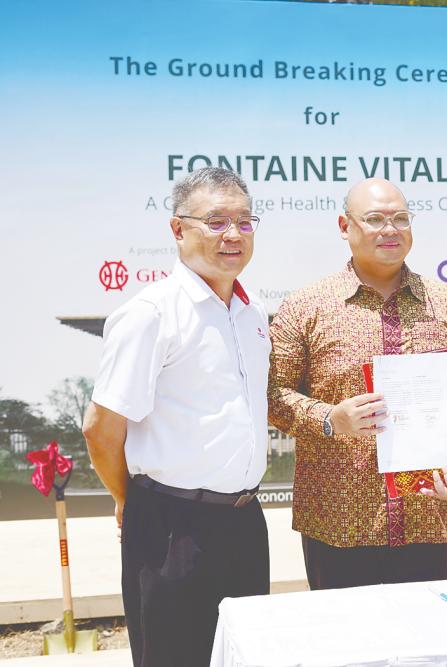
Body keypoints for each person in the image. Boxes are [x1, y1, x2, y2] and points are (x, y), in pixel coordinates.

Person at [82, 167, 270, 667]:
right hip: (171, 529)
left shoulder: (253, 316)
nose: (232, 234)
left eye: (244, 221)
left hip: (245, 522)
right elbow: (100, 429)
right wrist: (131, 500)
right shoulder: (151, 313)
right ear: (177, 229)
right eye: (215, 221)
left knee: (245, 657)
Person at [268, 177, 447, 589]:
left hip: (428, 513)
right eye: (374, 219)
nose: (390, 230)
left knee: (422, 646)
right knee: (347, 647)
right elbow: (275, 396)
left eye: (401, 218)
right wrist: (329, 418)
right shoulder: (306, 306)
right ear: (344, 225)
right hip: (337, 521)